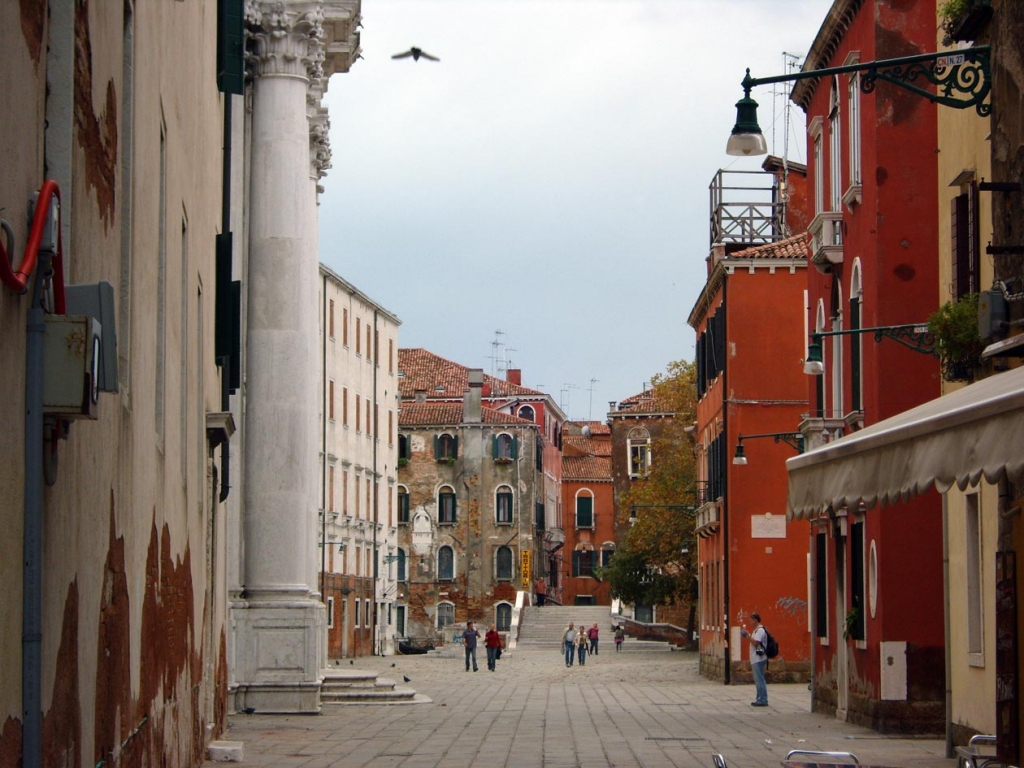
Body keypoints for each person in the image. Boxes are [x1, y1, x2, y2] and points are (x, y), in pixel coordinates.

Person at [740, 613, 768, 706]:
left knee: (759, 679)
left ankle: (762, 699)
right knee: (759, 679)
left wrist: (747, 635)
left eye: (751, 620)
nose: (750, 623)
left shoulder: (760, 630)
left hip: (758, 658)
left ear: (755, 620)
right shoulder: (757, 630)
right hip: (756, 658)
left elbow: (756, 643)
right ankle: (759, 698)